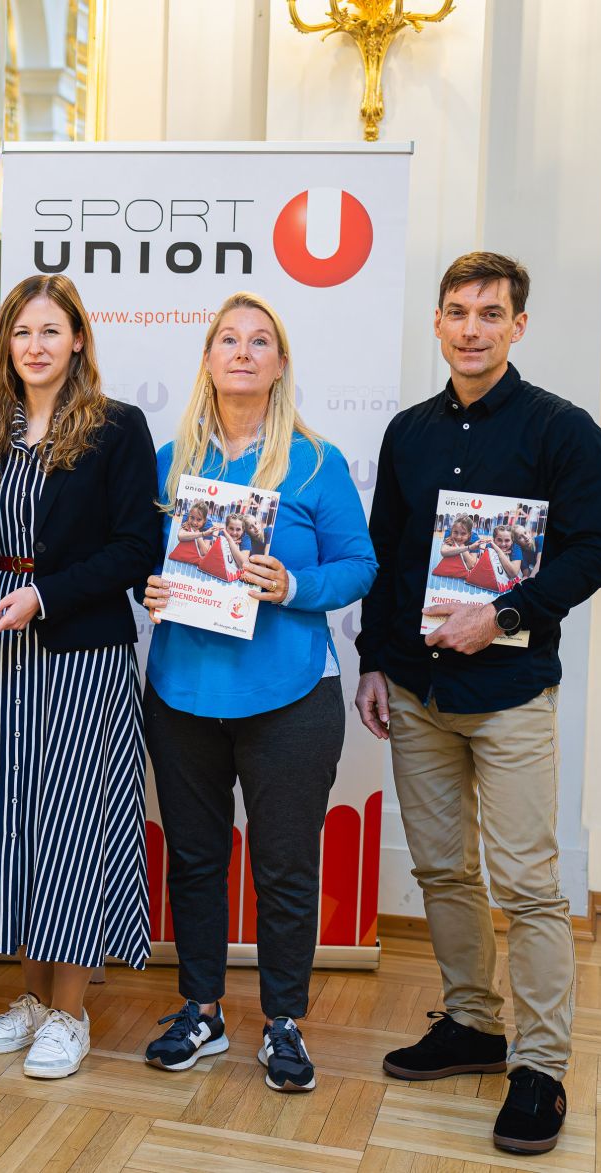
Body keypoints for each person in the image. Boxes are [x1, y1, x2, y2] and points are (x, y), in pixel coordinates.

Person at [355, 253, 601, 1155]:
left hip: (509, 693)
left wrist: (505, 611)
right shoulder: (406, 433)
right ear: (437, 322)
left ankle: (540, 1067)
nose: (472, 327)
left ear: (517, 325)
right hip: (417, 690)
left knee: (530, 885)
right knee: (440, 868)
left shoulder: (564, 430)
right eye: (457, 312)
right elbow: (388, 554)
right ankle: (473, 1021)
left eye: (491, 313)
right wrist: (370, 662)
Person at [136, 291, 376, 1093]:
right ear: (207, 358)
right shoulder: (171, 462)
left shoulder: (317, 461)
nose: (243, 352)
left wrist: (294, 583)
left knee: (282, 865)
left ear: (279, 363)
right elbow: (140, 560)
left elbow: (360, 565)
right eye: (228, 340)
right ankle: (201, 1008)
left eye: (259, 341)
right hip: (183, 691)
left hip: (289, 698)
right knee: (196, 860)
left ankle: (282, 1021)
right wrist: (152, 590)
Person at [0, 273, 158, 1081]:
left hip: (78, 651)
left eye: (51, 331)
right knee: (11, 822)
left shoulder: (116, 428)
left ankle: (72, 1011)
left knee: (68, 828)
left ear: (78, 342)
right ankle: (29, 997)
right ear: (7, 345)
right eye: (22, 332)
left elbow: (138, 549)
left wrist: (44, 595)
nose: (36, 345)